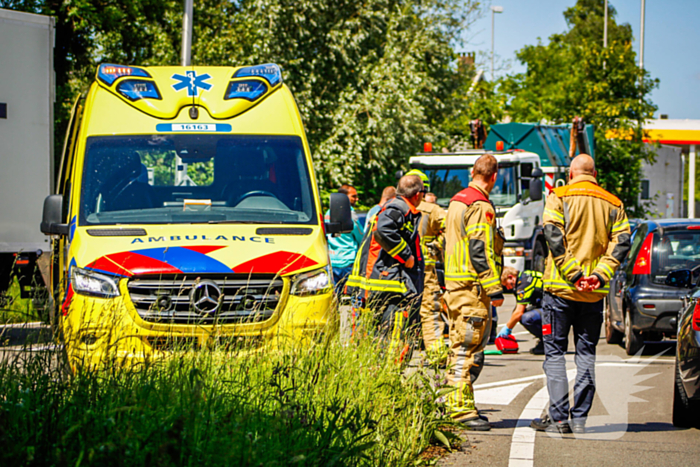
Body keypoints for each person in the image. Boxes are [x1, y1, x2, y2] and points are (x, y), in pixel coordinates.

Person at [531, 154, 631, 434]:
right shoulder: (613, 203)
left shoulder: (559, 196)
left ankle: (559, 418)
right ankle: (579, 419)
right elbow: (621, 243)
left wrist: (574, 274)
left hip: (561, 291)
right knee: (586, 355)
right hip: (593, 295)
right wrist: (597, 275)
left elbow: (553, 236)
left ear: (572, 173)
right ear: (595, 173)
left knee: (555, 355)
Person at [443, 154, 504, 431]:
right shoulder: (480, 206)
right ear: (494, 176)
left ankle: (454, 403)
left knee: (458, 347)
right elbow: (480, 249)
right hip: (471, 288)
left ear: (472, 172)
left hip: (456, 286)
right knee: (466, 350)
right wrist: (494, 286)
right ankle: (459, 410)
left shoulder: (457, 200)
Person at [346, 175, 425, 360]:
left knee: (379, 335)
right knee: (393, 332)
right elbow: (383, 230)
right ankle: (389, 374)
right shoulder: (399, 208)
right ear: (417, 194)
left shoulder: (398, 207)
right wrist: (407, 256)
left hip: (384, 283)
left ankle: (382, 370)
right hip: (389, 285)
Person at [404, 170, 448, 366]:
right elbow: (451, 228)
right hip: (426, 267)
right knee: (430, 312)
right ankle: (437, 354)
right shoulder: (433, 210)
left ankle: (395, 356)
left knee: (399, 310)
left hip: (402, 267)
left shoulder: (396, 207)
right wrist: (437, 246)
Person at [497, 266, 545, 355]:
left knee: (527, 318)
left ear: (511, 277)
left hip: (554, 309)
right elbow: (517, 308)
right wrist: (511, 322)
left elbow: (519, 312)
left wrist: (507, 328)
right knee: (523, 314)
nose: (507, 288)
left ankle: (547, 342)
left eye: (506, 284)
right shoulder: (525, 275)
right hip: (551, 306)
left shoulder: (523, 285)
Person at [326, 184, 364, 287]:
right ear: (343, 197)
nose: (357, 199)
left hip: (332, 261)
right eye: (353, 196)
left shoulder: (328, 213)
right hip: (348, 262)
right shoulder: (350, 214)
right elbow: (361, 238)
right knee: (349, 296)